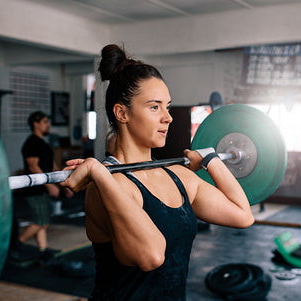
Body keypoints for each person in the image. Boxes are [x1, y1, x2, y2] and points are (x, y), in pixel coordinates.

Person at [60, 44, 254, 300]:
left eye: (168, 107)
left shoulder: (178, 176)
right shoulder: (106, 187)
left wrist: (212, 159)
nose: (168, 117)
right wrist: (100, 173)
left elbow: (243, 216)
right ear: (122, 113)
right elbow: (151, 255)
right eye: (154, 107)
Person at [17, 111, 72, 265]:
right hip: (34, 189)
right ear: (36, 124)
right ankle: (16, 245)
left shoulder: (42, 143)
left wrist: (64, 185)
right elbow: (33, 167)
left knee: (42, 221)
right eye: (45, 122)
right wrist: (49, 187)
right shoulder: (32, 143)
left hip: (41, 189)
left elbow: (53, 166)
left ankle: (43, 250)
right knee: (40, 221)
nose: (48, 125)